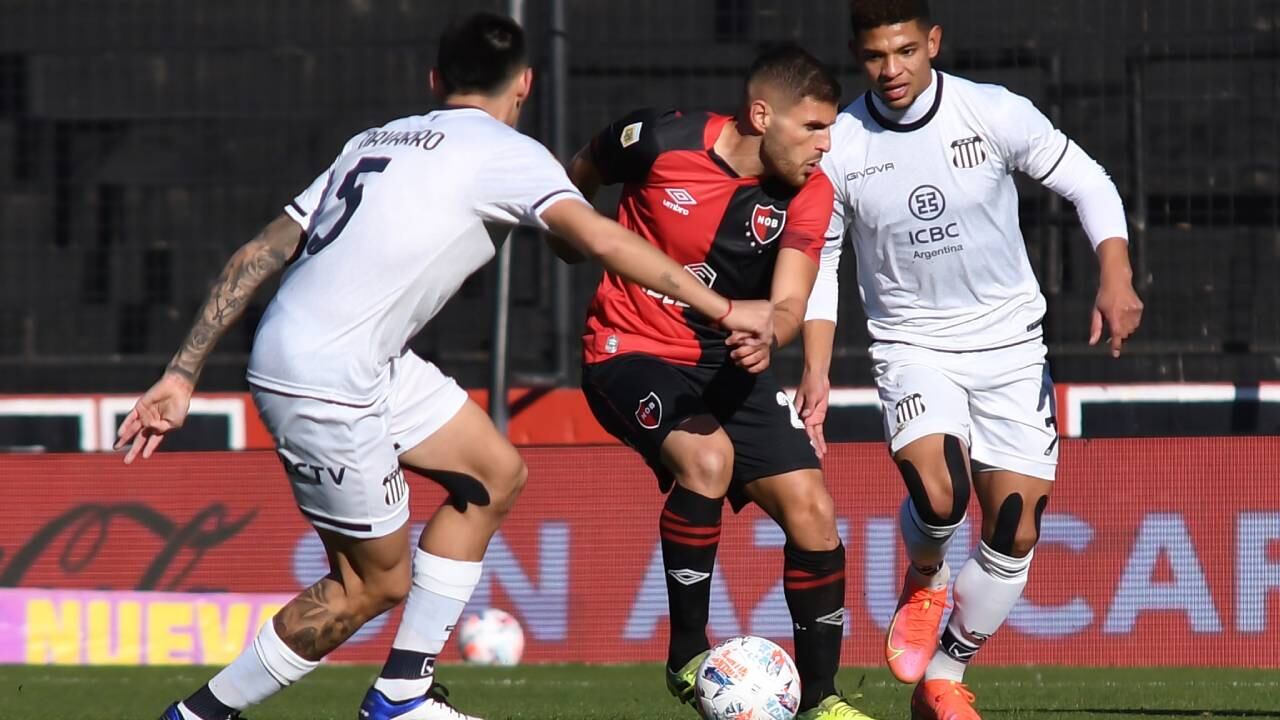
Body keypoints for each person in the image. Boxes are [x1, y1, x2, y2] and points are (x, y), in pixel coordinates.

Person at [115, 12, 773, 720]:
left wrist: (182, 373)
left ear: (435, 80)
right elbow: (598, 237)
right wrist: (725, 308)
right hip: (327, 378)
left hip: (350, 356)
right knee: (369, 586)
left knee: (494, 474)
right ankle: (197, 716)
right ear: (525, 83)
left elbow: (257, 254)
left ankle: (403, 694)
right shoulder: (506, 151)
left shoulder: (373, 139)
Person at [795, 2, 1145, 718]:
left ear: (932, 43)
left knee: (1015, 523)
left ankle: (945, 676)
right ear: (858, 58)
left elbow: (1089, 182)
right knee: (940, 494)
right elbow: (821, 262)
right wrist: (816, 366)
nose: (890, 70)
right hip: (913, 344)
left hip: (1012, 346)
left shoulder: (993, 112)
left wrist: (1116, 274)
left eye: (903, 51)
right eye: (873, 56)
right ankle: (925, 575)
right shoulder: (843, 145)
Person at [563, 44, 875, 720]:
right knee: (708, 458)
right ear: (762, 115)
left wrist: (772, 333)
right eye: (814, 127)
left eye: (831, 129)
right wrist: (568, 235)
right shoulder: (657, 140)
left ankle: (822, 703)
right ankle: (684, 654)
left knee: (815, 513)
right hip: (629, 348)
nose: (827, 144)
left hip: (729, 363)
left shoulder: (811, 193)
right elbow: (579, 172)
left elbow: (789, 303)